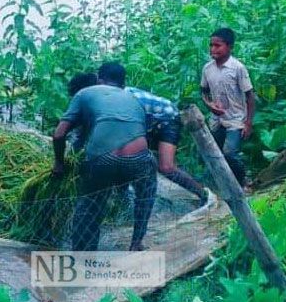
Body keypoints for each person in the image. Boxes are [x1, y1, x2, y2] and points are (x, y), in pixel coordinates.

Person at [52, 73, 157, 251]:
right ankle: (136, 242)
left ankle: (83, 255)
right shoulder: (130, 96)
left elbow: (59, 134)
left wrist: (59, 164)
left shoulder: (82, 95)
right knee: (145, 194)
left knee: (89, 204)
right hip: (139, 159)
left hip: (103, 160)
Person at [97, 62, 210, 206]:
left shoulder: (122, 97)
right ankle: (123, 203)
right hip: (149, 123)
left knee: (166, 167)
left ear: (100, 81)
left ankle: (202, 194)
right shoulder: (112, 96)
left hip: (167, 118)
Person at [200, 28, 255, 187]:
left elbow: (250, 96)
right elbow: (203, 92)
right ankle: (224, 184)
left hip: (236, 120)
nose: (213, 49)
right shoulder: (207, 69)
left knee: (230, 153)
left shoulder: (237, 68)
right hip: (216, 120)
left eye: (218, 45)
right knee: (213, 154)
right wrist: (209, 104)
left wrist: (248, 123)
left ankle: (244, 180)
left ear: (229, 47)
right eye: (211, 45)